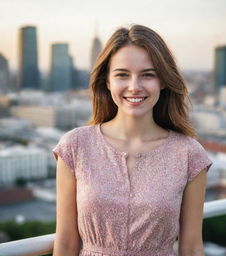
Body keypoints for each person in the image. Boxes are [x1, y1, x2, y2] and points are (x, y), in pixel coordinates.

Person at [52, 24, 213, 256]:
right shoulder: (75, 147)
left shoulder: (189, 154)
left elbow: (191, 247)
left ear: (163, 81)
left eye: (148, 74)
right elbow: (66, 243)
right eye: (122, 75)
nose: (134, 87)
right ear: (107, 81)